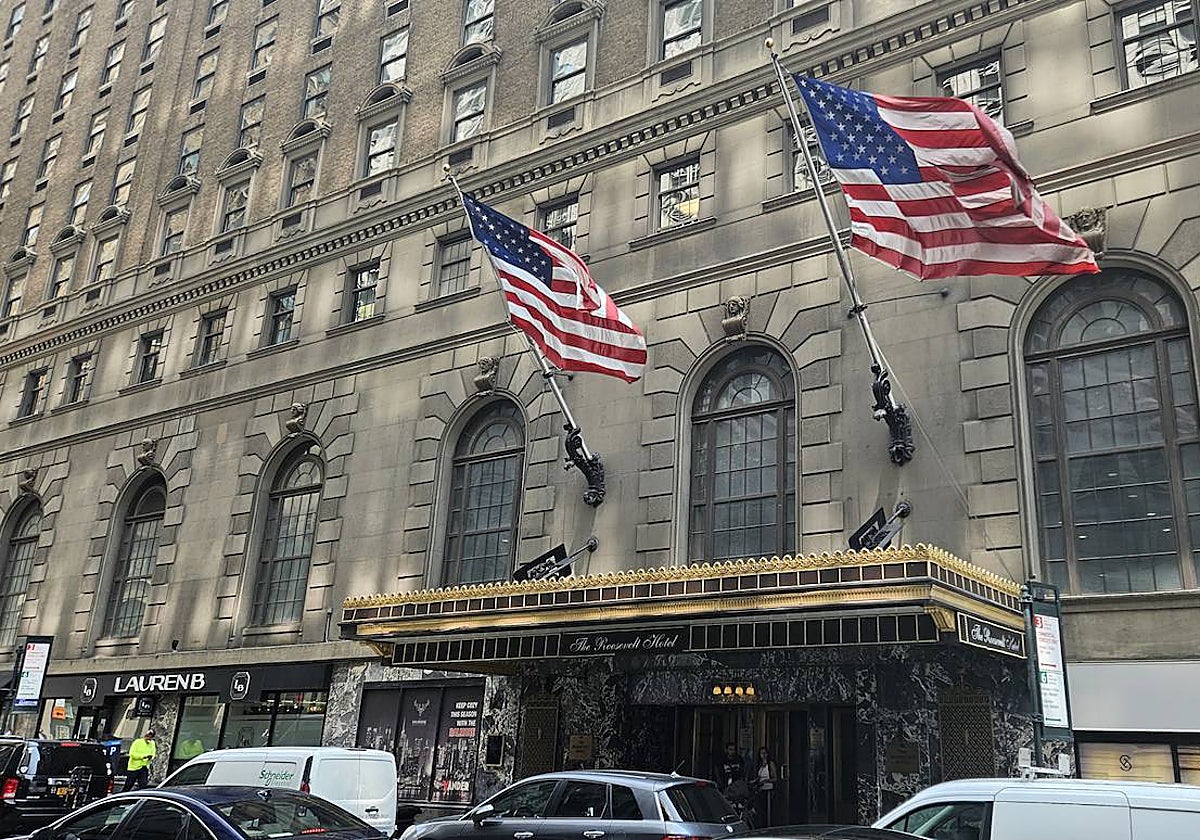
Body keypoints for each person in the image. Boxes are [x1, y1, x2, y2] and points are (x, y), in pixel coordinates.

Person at [753, 746, 778, 827]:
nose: (763, 755)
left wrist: (766, 780)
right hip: (761, 789)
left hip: (768, 789)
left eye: (765, 753)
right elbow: (759, 777)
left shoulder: (770, 764)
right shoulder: (760, 765)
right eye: (761, 753)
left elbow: (775, 778)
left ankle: (768, 824)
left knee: (767, 809)